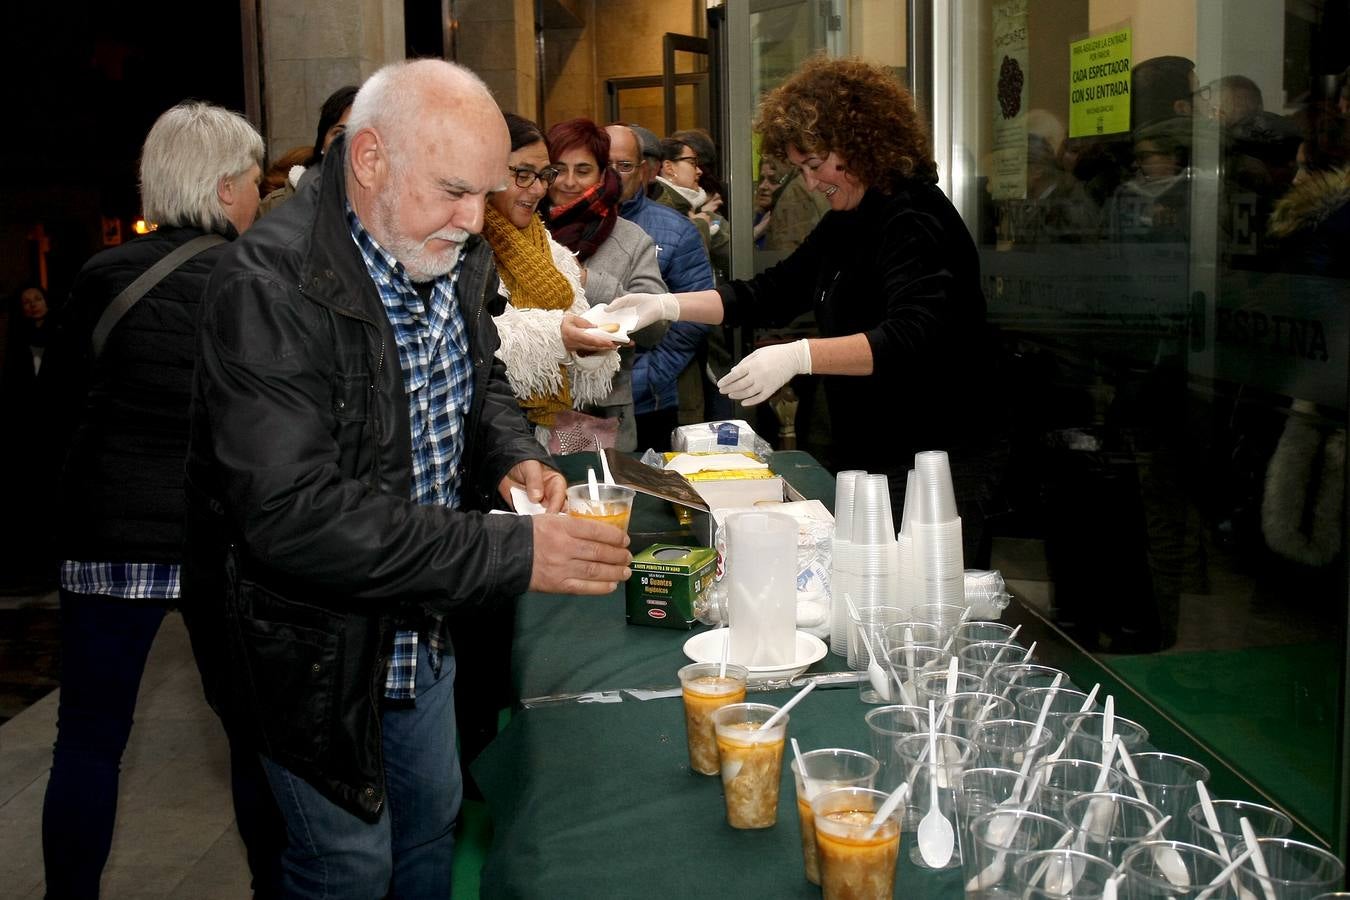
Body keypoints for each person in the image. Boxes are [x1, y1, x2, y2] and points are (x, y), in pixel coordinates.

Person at [185, 60, 632, 898]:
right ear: (370, 160)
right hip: (311, 649)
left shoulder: (444, 247)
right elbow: (292, 513)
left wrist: (511, 456)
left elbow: (480, 379)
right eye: (456, 191)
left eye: (488, 192)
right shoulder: (267, 282)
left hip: (418, 631)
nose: (476, 219)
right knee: (347, 865)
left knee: (430, 830)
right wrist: (508, 554)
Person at [610, 55, 1003, 565]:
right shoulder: (850, 217)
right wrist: (666, 303)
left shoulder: (914, 217)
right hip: (876, 444)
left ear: (862, 145)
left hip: (938, 454)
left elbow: (912, 336)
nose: (812, 183)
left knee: (924, 597)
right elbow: (772, 290)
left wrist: (799, 357)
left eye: (815, 165)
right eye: (802, 169)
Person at [37, 101, 278, 899]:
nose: (258, 195)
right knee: (253, 738)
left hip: (104, 532)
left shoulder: (103, 274)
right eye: (252, 180)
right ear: (221, 187)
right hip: (218, 538)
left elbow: (62, 406)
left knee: (88, 740)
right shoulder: (256, 275)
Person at [487, 112, 620, 444]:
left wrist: (588, 349)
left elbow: (583, 374)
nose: (538, 189)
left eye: (543, 175)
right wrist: (557, 334)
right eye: (522, 174)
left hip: (547, 436)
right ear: (485, 172)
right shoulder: (463, 245)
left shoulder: (552, 249)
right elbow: (474, 338)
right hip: (486, 435)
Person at [543, 116, 669, 452]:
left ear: (603, 175)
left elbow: (657, 326)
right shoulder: (520, 231)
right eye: (557, 169)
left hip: (600, 411)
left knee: (599, 501)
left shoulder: (631, 239)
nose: (568, 182)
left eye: (582, 170)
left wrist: (585, 279)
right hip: (525, 409)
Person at [605, 122, 714, 450]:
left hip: (649, 403)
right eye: (602, 164)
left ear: (644, 171)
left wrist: (647, 377)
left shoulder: (676, 230)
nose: (612, 175)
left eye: (623, 166)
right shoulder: (560, 224)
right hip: (574, 405)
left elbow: (693, 318)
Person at [258, 84, 358, 215]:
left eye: (358, 133)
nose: (346, 143)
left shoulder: (389, 204)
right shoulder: (276, 206)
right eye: (339, 134)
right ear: (322, 143)